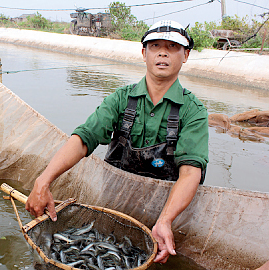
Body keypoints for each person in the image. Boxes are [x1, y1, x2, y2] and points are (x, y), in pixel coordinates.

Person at [25, 20, 209, 264]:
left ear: (185, 55)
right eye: (155, 46)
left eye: (172, 47)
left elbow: (190, 173)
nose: (163, 52)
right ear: (144, 53)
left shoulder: (193, 111)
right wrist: (43, 181)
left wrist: (165, 221)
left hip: (162, 215)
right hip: (112, 208)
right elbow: (83, 139)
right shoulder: (121, 99)